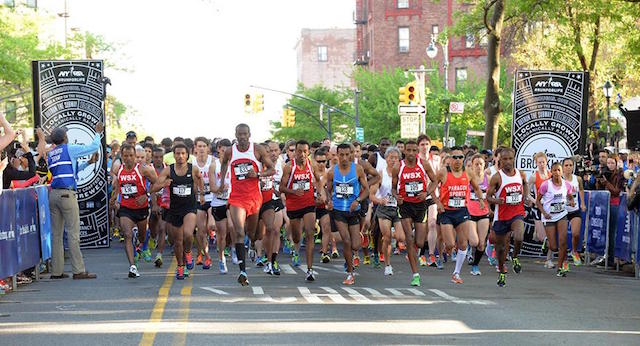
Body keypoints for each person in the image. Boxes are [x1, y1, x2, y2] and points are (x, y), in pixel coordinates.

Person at [37, 122, 104, 280]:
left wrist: (88, 163)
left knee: (56, 234)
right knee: (73, 233)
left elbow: (68, 170)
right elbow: (93, 146)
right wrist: (97, 132)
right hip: (67, 194)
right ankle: (78, 270)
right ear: (65, 138)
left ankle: (57, 271)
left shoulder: (52, 153)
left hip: (53, 195)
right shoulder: (70, 149)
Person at [217, 124, 275, 286]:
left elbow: (271, 169)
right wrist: (222, 182)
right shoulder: (230, 151)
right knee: (239, 231)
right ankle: (243, 271)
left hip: (254, 198)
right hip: (236, 198)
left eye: (245, 134)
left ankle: (250, 246)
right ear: (235, 134)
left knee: (254, 234)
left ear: (249, 135)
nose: (242, 137)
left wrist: (257, 174)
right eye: (239, 134)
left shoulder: (257, 150)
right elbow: (223, 164)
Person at [151, 143, 206, 280]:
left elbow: (199, 178)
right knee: (177, 241)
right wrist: (164, 184)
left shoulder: (192, 169)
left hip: (189, 207)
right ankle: (180, 267)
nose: (180, 156)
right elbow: (154, 187)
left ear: (187, 155)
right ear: (173, 155)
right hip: (174, 209)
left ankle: (188, 253)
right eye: (177, 153)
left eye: (183, 153)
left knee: (188, 234)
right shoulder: (168, 170)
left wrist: (202, 194)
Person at [433, 147, 485, 284]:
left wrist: (480, 200)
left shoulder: (468, 172)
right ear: (449, 159)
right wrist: (437, 202)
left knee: (463, 243)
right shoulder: (443, 172)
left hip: (462, 211)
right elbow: (430, 188)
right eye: (454, 157)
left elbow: (477, 188)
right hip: (446, 212)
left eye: (460, 157)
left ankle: (456, 273)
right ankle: (446, 250)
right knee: (450, 244)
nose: (457, 160)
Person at [392, 140, 437, 287]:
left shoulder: (423, 164)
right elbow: (393, 187)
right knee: (410, 240)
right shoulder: (399, 166)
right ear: (404, 151)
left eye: (413, 150)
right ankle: (415, 274)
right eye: (408, 150)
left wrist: (427, 192)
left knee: (419, 241)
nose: (411, 153)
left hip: (420, 205)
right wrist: (396, 196)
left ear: (417, 151)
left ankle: (413, 249)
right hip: (405, 205)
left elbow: (435, 181)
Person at [110, 143, 158, 278]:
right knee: (127, 234)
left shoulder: (143, 169)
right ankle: (132, 266)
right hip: (126, 208)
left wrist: (146, 195)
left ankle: (140, 243)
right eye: (126, 156)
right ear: (122, 157)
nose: (129, 158)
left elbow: (157, 183)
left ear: (135, 157)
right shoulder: (119, 169)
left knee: (142, 237)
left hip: (141, 208)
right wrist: (114, 198)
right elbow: (119, 186)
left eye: (131, 156)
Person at [325, 143, 369, 285]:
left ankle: (356, 244)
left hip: (353, 211)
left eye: (346, 154)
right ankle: (350, 273)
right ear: (337, 155)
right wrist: (328, 200)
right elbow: (328, 189)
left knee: (355, 245)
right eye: (341, 155)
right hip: (339, 211)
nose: (344, 158)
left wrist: (357, 200)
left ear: (351, 154)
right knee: (346, 241)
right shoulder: (332, 171)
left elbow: (366, 190)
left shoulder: (358, 169)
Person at [279, 140, 323, 281]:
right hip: (293, 206)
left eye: (305, 151)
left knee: (310, 232)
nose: (302, 154)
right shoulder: (289, 167)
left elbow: (319, 181)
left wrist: (320, 193)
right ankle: (295, 247)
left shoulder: (312, 165)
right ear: (295, 152)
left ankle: (310, 270)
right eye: (299, 151)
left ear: (308, 152)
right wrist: (292, 191)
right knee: (297, 237)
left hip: (309, 204)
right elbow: (281, 187)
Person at [486, 148, 529, 287]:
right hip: (502, 216)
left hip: (517, 213)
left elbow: (525, 184)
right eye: (504, 159)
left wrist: (525, 196)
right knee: (500, 248)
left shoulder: (520, 174)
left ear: (514, 158)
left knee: (519, 237)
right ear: (500, 161)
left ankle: (515, 256)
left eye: (510, 158)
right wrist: (496, 201)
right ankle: (502, 272)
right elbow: (487, 196)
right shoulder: (497, 177)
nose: (508, 162)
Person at [536, 162, 575, 277]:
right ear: (551, 172)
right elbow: (538, 201)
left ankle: (560, 268)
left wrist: (571, 201)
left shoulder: (566, 185)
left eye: (559, 170)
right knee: (553, 246)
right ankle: (547, 241)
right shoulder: (545, 185)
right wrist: (544, 213)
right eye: (554, 170)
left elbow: (570, 196)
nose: (557, 173)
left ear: (561, 171)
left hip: (562, 214)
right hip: (549, 216)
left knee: (563, 241)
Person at [370, 146, 404, 276]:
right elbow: (371, 195)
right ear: (386, 159)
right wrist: (380, 201)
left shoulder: (402, 173)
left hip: (398, 209)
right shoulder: (381, 173)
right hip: (384, 209)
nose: (393, 160)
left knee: (401, 237)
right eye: (391, 158)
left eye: (396, 158)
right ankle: (387, 264)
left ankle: (395, 232)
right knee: (387, 237)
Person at [593, 155, 624, 266]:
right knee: (603, 231)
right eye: (609, 163)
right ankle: (604, 256)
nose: (610, 165)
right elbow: (598, 189)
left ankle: (611, 258)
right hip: (604, 204)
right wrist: (599, 180)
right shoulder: (605, 172)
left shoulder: (620, 174)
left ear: (616, 164)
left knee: (612, 232)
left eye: (612, 163)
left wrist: (606, 182)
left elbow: (616, 191)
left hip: (614, 204)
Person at [210, 139, 232, 274]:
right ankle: (221, 258)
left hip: (232, 202)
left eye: (227, 151)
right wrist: (220, 188)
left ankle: (234, 249)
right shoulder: (214, 166)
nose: (225, 153)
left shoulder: (233, 164)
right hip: (218, 202)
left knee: (233, 227)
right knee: (222, 234)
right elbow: (212, 187)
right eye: (223, 150)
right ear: (218, 149)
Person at [193, 137, 215, 269]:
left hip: (213, 198)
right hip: (198, 199)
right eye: (199, 146)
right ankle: (204, 255)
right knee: (200, 231)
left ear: (208, 147)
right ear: (195, 148)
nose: (201, 149)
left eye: (203, 146)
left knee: (210, 226)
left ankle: (205, 250)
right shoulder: (191, 162)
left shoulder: (214, 161)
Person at [468, 154, 491, 276]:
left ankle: (475, 265)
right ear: (472, 166)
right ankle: (468, 249)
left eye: (481, 164)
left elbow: (493, 194)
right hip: (470, 213)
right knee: (474, 242)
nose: (478, 166)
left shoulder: (489, 179)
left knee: (481, 243)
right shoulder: (467, 178)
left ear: (484, 165)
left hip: (484, 212)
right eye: (476, 164)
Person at [562, 158, 587, 266]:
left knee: (576, 234)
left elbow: (581, 190)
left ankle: (574, 251)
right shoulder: (559, 179)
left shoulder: (578, 179)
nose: (568, 168)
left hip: (574, 210)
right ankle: (564, 259)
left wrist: (582, 203)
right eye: (566, 165)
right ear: (562, 167)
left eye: (570, 165)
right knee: (562, 236)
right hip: (562, 211)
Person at [149, 147, 168, 267]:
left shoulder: (168, 169)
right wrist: (154, 205)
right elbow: (152, 188)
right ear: (152, 157)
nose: (158, 159)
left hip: (164, 203)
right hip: (151, 202)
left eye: (160, 157)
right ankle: (151, 238)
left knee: (162, 228)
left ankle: (159, 255)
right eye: (156, 157)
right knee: (153, 229)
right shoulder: (149, 169)